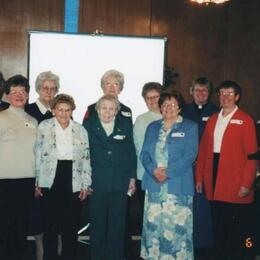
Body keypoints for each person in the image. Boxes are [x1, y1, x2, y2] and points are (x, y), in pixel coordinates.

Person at [196, 81, 258, 259]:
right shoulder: (214, 118)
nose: (225, 97)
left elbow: (252, 157)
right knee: (217, 224)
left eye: (229, 94)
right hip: (213, 176)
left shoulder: (246, 120)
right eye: (222, 93)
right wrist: (199, 177)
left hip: (234, 181)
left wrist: (247, 184)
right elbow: (204, 150)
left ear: (237, 97)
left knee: (235, 230)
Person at [140, 91, 198, 259]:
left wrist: (167, 173)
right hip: (154, 183)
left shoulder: (190, 127)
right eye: (164, 104)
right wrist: (154, 171)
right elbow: (144, 154)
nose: (168, 108)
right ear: (160, 108)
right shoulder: (152, 127)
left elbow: (190, 155)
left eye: (172, 104)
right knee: (153, 227)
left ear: (179, 107)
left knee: (176, 230)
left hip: (178, 184)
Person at [34, 94, 92, 260]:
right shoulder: (44, 127)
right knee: (50, 225)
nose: (64, 113)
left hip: (72, 178)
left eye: (68, 110)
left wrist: (85, 185)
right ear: (53, 111)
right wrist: (37, 181)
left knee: (70, 226)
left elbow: (86, 158)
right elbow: (38, 154)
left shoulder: (80, 129)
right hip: (49, 178)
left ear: (72, 110)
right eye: (60, 110)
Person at [83, 94, 137, 260]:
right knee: (98, 224)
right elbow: (84, 154)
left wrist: (132, 178)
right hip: (97, 182)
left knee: (117, 224)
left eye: (111, 108)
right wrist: (85, 181)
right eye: (104, 108)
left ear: (117, 111)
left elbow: (130, 152)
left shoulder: (125, 124)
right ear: (98, 109)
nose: (107, 112)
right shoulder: (88, 125)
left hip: (119, 182)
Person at [0, 75, 38, 260]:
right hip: (4, 182)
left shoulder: (34, 121)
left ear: (28, 95)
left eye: (22, 91)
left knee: (21, 229)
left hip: (27, 181)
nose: (19, 95)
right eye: (14, 92)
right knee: (4, 229)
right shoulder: (1, 117)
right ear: (6, 96)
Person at [182, 77, 219, 258]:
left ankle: (203, 248)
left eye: (205, 90)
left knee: (203, 210)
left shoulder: (217, 112)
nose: (201, 94)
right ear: (191, 91)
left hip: (206, 168)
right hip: (185, 168)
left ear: (209, 93)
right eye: (197, 90)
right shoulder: (183, 111)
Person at [25, 71, 60, 260]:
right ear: (38, 89)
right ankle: (40, 248)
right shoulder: (28, 110)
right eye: (45, 88)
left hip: (58, 172)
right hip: (34, 169)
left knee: (57, 210)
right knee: (37, 211)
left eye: (52, 88)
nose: (49, 91)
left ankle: (57, 244)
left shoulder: (61, 110)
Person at [133, 82, 163, 234]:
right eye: (148, 98)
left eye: (155, 97)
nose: (152, 101)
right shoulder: (141, 120)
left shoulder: (173, 116)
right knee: (148, 217)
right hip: (145, 174)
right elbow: (140, 148)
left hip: (167, 174)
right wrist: (154, 170)